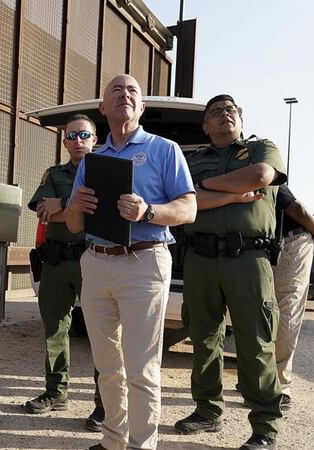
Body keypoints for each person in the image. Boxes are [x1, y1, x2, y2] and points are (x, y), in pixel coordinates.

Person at [65, 74, 197, 450]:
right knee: (107, 366)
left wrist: (149, 210)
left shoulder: (164, 150)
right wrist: (75, 207)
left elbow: (189, 208)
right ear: (103, 108)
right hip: (96, 262)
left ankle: (142, 445)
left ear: (142, 107)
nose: (125, 94)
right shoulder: (91, 161)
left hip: (144, 262)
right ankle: (112, 441)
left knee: (141, 368)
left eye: (133, 91)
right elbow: (75, 224)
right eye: (116, 90)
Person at [174, 94, 286, 450]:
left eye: (230, 111)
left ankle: (265, 426)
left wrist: (204, 189)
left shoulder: (259, 149)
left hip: (248, 260)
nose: (224, 115)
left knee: (255, 343)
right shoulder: (192, 160)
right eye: (215, 112)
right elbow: (185, 200)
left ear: (240, 119)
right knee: (203, 338)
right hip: (200, 259)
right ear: (205, 125)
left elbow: (260, 176)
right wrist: (232, 192)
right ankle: (208, 411)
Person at [23, 113, 105, 432]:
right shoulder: (54, 173)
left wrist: (64, 203)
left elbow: (101, 212)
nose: (78, 141)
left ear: (94, 140)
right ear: (64, 140)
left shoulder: (105, 173)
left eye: (84, 135)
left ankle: (104, 403)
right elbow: (43, 211)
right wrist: (71, 208)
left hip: (93, 260)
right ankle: (56, 392)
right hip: (56, 262)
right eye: (71, 136)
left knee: (102, 333)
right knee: (54, 327)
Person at [273, 184, 314, 409]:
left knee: (287, 311)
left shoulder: (261, 163)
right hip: (259, 244)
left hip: (292, 243)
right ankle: (259, 377)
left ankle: (280, 385)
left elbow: (296, 209)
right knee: (260, 311)